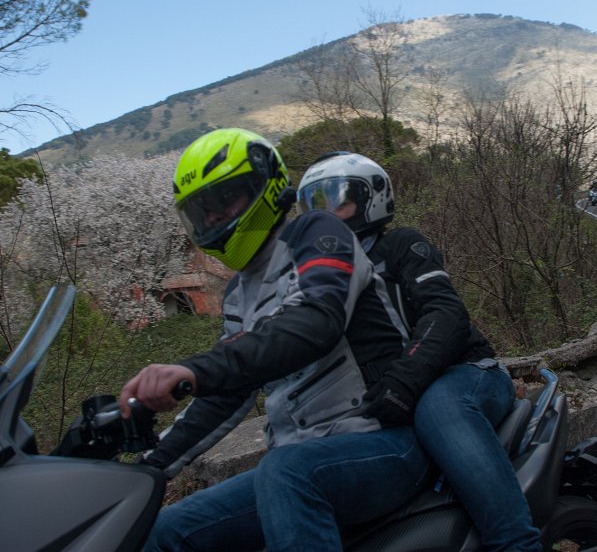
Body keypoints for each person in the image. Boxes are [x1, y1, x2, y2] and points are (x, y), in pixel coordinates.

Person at [119, 129, 431, 552]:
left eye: (224, 201)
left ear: (264, 187)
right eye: (203, 211)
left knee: (285, 470)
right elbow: (229, 389)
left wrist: (194, 370)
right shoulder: (238, 293)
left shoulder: (317, 233)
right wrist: (149, 468)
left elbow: (315, 320)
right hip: (297, 461)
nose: (214, 219)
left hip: (379, 439)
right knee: (162, 532)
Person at [296, 151, 541, 552]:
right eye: (313, 205)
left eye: (337, 201)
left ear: (372, 197)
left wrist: (405, 379)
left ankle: (515, 542)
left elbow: (446, 312)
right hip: (392, 398)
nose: (325, 215)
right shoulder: (319, 279)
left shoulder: (400, 245)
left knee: (439, 409)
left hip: (463, 372)